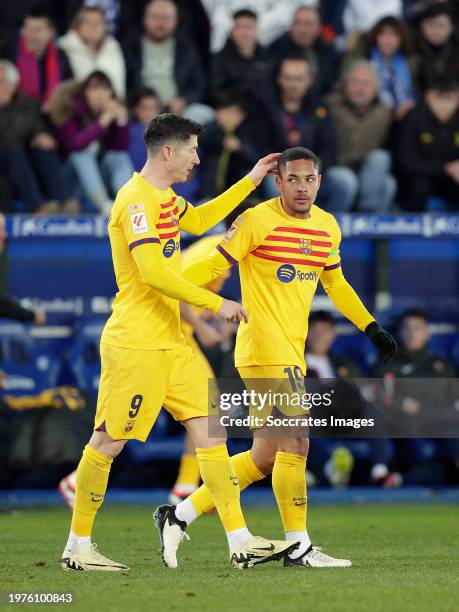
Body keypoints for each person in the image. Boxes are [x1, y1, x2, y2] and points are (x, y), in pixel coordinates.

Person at [60, 112, 296, 572]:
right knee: (108, 442)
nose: (197, 157)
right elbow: (151, 273)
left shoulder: (165, 197)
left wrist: (250, 181)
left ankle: (240, 540)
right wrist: (214, 303)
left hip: (172, 342)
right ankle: (77, 546)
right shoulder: (134, 201)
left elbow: (203, 218)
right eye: (191, 149)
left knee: (212, 433)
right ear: (168, 151)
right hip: (137, 343)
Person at [155, 146, 397, 569]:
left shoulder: (327, 226)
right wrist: (158, 283)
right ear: (278, 181)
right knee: (298, 441)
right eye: (293, 179)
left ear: (319, 182)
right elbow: (212, 263)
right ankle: (299, 546)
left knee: (263, 457)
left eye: (309, 179)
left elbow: (336, 285)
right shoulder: (256, 221)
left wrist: (370, 327)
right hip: (264, 348)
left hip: (290, 349)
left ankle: (179, 514)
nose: (302, 188)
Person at [268, 55, 354, 212]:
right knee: (273, 183)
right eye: (288, 78)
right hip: (280, 173)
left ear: (309, 80)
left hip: (314, 172)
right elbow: (260, 149)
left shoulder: (320, 108)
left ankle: (325, 230)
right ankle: (285, 229)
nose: (293, 84)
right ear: (279, 79)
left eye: (299, 79)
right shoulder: (266, 107)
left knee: (345, 180)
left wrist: (309, 171)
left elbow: (329, 149)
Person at [46, 71, 133, 214]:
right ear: (85, 92)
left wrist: (121, 122)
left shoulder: (112, 112)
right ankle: (105, 205)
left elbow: (119, 148)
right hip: (68, 181)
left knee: (118, 156)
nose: (100, 94)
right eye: (94, 88)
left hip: (97, 179)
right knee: (82, 153)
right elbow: (75, 145)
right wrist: (102, 122)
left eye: (105, 88)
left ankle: (128, 205)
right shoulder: (70, 108)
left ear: (111, 93)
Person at [0, 60, 76, 214]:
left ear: (13, 85)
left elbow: (37, 126)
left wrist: (41, 135)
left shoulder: (27, 103)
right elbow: (6, 136)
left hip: (24, 153)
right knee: (13, 150)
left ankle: (61, 201)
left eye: (1, 82)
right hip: (6, 155)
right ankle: (36, 206)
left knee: (44, 146)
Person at [328, 60, 396, 211]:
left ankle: (368, 222)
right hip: (336, 169)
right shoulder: (329, 107)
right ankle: (335, 228)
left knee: (388, 181)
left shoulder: (385, 112)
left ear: (376, 88)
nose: (361, 88)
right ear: (345, 85)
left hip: (367, 172)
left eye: (366, 83)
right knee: (346, 180)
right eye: (356, 82)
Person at [123, 0, 206, 114]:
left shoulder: (186, 48)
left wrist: (184, 100)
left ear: (176, 21)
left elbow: (199, 85)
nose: (160, 23)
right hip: (140, 110)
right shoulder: (130, 48)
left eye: (166, 18)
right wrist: (138, 102)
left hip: (178, 110)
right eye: (155, 17)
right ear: (144, 19)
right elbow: (124, 84)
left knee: (204, 114)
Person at [396, 77, 459, 211]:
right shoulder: (413, 117)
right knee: (420, 185)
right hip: (419, 179)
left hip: (450, 180)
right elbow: (407, 163)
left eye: (450, 99)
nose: (445, 105)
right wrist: (445, 168)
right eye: (439, 98)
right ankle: (410, 225)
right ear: (429, 96)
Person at [343, 16, 417, 120]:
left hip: (404, 115)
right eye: (383, 34)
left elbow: (415, 92)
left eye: (394, 35)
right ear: (375, 36)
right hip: (370, 115)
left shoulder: (410, 62)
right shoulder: (363, 56)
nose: (388, 40)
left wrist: (409, 104)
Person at [269, 6, 340, 96]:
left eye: (308, 24)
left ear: (318, 27)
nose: (302, 30)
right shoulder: (276, 49)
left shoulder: (329, 51)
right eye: (297, 23)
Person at [59, 6, 126, 99]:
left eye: (97, 23)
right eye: (87, 22)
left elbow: (119, 88)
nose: (92, 27)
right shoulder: (64, 49)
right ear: (77, 25)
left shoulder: (113, 49)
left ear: (105, 27)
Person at [11, 5, 73, 104]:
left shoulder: (61, 56)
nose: (30, 35)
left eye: (37, 30)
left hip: (54, 112)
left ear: (51, 32)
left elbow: (69, 90)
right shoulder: (11, 55)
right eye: (27, 28)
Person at [210, 9, 270, 97]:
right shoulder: (218, 60)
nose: (244, 33)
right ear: (231, 31)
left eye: (249, 27)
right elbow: (216, 91)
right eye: (239, 27)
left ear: (257, 31)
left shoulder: (268, 58)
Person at [411, 1, 459, 91]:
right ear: (422, 26)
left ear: (451, 28)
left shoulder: (456, 50)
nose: (436, 31)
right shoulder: (411, 50)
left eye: (442, 25)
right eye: (431, 25)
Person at [128, 87, 163, 172]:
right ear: (135, 109)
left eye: (153, 108)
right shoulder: (129, 129)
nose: (150, 112)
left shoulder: (167, 130)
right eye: (145, 108)